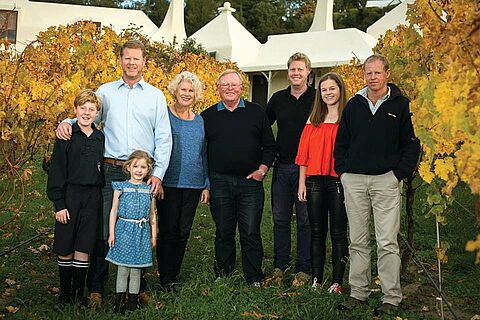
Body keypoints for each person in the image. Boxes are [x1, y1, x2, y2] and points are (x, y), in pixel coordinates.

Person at [55, 40, 172, 306]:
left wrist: (158, 175)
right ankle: (96, 287)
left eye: (137, 59)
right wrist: (67, 121)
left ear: (145, 62)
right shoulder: (106, 92)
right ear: (120, 60)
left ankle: (139, 286)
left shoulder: (155, 96)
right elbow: (88, 115)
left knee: (138, 227)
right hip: (110, 169)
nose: (132, 63)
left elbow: (164, 138)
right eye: (127, 58)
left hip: (142, 173)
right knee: (104, 225)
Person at [334, 54, 420, 316]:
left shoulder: (400, 105)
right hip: (355, 180)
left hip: (386, 180)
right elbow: (342, 142)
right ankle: (358, 292)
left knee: (386, 241)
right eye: (368, 73)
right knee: (357, 240)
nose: (372, 77)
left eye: (377, 73)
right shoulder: (354, 105)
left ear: (387, 74)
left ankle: (391, 296)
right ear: (363, 74)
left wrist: (398, 174)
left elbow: (411, 144)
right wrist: (344, 172)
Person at [201, 69, 276, 287]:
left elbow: (269, 146)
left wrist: (262, 170)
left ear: (242, 88)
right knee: (223, 230)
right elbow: (201, 151)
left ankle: (253, 275)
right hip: (219, 181)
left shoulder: (256, 112)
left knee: (250, 230)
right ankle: (223, 273)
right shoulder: (208, 116)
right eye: (225, 85)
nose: (230, 89)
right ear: (218, 89)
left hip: (250, 183)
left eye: (234, 85)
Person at [46, 89, 104, 307]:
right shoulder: (66, 136)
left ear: (97, 113)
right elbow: (57, 171)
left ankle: (79, 295)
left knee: (84, 245)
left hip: (92, 197)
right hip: (70, 196)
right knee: (66, 245)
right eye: (83, 109)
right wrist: (59, 203)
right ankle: (65, 294)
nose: (87, 113)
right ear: (75, 110)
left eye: (91, 110)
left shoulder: (100, 138)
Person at [156, 71, 209, 292]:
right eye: (183, 89)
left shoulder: (200, 121)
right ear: (175, 91)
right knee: (168, 230)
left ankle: (173, 274)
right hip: (167, 182)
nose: (186, 94)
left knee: (183, 231)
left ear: (195, 94)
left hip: (193, 184)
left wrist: (206, 183)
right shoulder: (163, 116)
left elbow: (204, 152)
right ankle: (165, 276)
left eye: (190, 90)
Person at [296, 72, 349, 293]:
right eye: (324, 89)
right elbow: (303, 155)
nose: (328, 93)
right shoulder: (313, 119)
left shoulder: (347, 118)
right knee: (316, 231)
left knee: (338, 232)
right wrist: (302, 183)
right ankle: (317, 279)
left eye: (332, 88)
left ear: (340, 89)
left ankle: (337, 281)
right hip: (314, 182)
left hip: (339, 181)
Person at [266, 52, 315, 286]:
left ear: (308, 72)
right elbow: (264, 127)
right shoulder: (277, 99)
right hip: (282, 167)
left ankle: (303, 269)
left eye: (300, 69)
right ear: (288, 72)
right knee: (280, 219)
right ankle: (279, 266)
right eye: (292, 69)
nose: (296, 73)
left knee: (305, 220)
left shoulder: (317, 98)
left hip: (308, 169)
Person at [106, 150, 157, 313]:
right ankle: (119, 302)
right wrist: (112, 233)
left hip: (141, 233)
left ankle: (132, 303)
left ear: (148, 169)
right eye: (136, 166)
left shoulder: (148, 190)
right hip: (124, 232)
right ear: (129, 167)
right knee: (123, 269)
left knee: (136, 269)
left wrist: (153, 235)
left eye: (143, 167)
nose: (139, 170)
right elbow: (113, 211)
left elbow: (152, 215)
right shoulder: (120, 188)